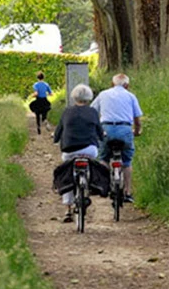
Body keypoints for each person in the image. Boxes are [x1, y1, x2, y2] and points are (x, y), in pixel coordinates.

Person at [52, 84, 104, 222]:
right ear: (89, 97)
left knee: (68, 174)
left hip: (69, 150)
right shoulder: (93, 112)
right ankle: (89, 185)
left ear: (74, 96)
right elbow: (99, 132)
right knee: (91, 163)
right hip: (89, 149)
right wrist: (101, 137)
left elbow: (58, 132)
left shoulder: (67, 112)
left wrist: (56, 139)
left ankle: (68, 209)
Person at [91, 73, 142, 203]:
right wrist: (136, 131)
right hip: (125, 130)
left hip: (106, 129)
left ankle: (104, 186)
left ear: (112, 83)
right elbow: (137, 119)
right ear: (127, 85)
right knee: (127, 161)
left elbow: (92, 111)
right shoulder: (131, 96)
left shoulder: (103, 94)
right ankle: (128, 192)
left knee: (103, 158)